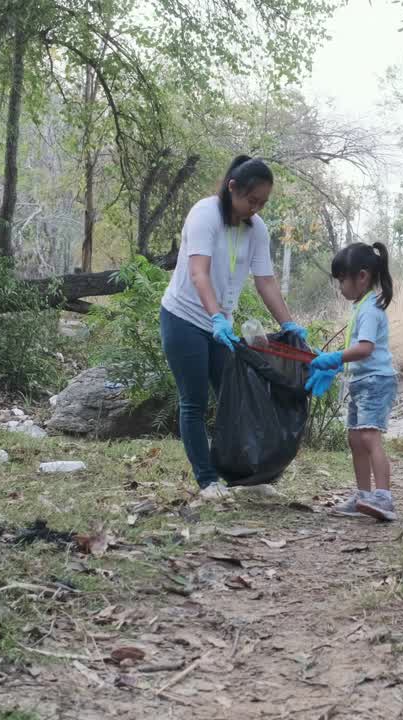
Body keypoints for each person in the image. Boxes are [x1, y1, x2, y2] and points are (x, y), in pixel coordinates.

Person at [160, 155, 307, 501]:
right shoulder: (204, 214)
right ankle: (207, 481)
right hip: (184, 319)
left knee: (237, 401)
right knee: (193, 402)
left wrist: (288, 323)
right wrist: (214, 318)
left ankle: (246, 477)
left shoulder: (257, 230)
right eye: (251, 200)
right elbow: (199, 273)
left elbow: (266, 282)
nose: (255, 208)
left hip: (220, 325)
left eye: (262, 203)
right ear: (232, 189)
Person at [306, 242, 399, 521]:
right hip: (361, 380)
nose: (341, 287)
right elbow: (357, 351)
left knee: (369, 436)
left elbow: (366, 348)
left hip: (376, 381)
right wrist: (334, 367)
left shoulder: (370, 309)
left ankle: (383, 497)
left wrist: (334, 359)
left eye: (342, 280)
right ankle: (363, 496)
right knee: (355, 439)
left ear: (362, 276)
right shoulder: (361, 306)